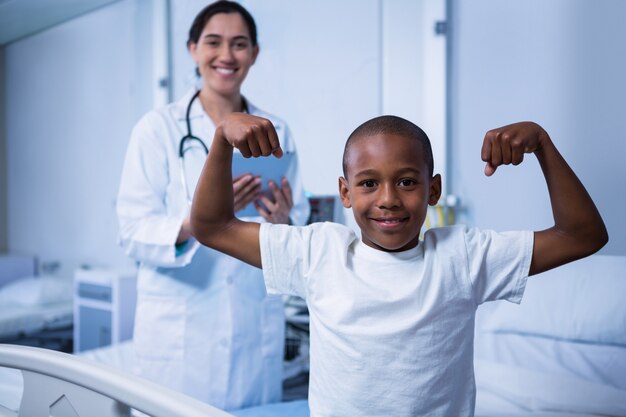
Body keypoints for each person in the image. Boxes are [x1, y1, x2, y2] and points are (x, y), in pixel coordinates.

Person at [189, 112, 608, 416]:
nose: (388, 198)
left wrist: (542, 145)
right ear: (345, 193)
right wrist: (223, 138)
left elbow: (582, 235)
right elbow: (211, 226)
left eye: (407, 181)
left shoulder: (463, 256)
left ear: (433, 190)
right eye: (369, 183)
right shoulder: (319, 251)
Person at [116, 0, 310, 410]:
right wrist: (198, 220)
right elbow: (132, 230)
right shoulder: (159, 129)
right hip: (181, 331)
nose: (226, 55)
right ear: (192, 49)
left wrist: (284, 219)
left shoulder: (276, 130)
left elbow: (299, 221)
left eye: (239, 44)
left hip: (251, 324)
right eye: (213, 42)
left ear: (254, 54)